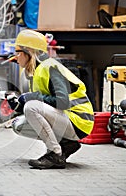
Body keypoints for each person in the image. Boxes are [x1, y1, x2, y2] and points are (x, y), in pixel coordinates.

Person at [7, 29, 94, 169]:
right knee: (19, 124)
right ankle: (66, 144)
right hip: (67, 119)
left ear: (28, 52)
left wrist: (32, 98)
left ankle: (55, 154)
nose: (15, 57)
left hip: (78, 121)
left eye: (18, 52)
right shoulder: (35, 72)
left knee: (32, 107)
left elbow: (62, 102)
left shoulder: (50, 67)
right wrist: (18, 106)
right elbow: (45, 105)